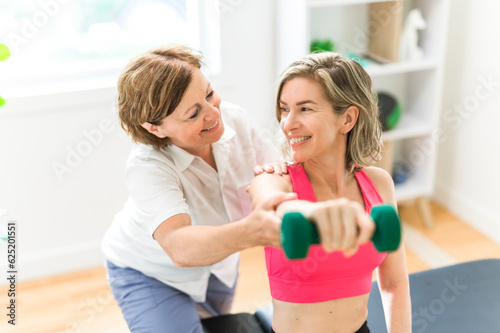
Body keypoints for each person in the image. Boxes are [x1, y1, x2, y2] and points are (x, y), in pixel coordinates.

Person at [101, 45, 293, 333]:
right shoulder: (147, 165)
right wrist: (252, 230)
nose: (214, 113)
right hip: (150, 272)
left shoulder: (234, 119)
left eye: (209, 93)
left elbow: (276, 171)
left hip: (217, 266)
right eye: (193, 113)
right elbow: (178, 244)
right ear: (156, 128)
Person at [249, 52, 411, 333]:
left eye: (305, 109)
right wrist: (317, 213)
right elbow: (276, 205)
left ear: (347, 119)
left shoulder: (379, 184)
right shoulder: (274, 180)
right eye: (285, 109)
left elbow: (394, 283)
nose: (288, 123)